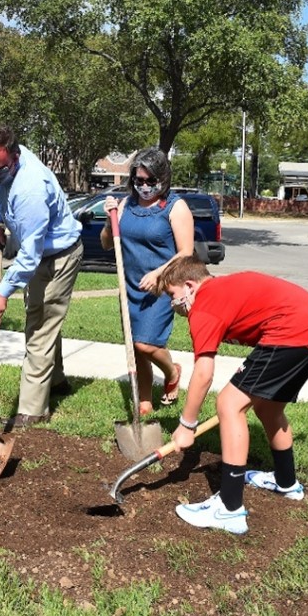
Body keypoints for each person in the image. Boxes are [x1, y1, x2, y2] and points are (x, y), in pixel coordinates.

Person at [156, 255, 308, 534]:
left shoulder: (204, 305)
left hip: (291, 332)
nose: (173, 303)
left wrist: (186, 425)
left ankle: (229, 509)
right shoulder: (223, 290)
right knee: (268, 408)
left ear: (190, 286)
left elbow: (204, 372)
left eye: (172, 294)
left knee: (229, 403)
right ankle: (286, 483)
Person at [0, 124, 83, 429]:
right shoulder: (1, 167)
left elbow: (30, 255)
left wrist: (3, 290)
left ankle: (33, 408)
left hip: (58, 256)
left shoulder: (30, 188)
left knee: (39, 324)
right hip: (39, 254)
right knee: (43, 316)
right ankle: (57, 380)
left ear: (13, 156)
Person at [100, 147, 193, 415]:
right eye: (139, 181)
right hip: (129, 286)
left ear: (163, 178)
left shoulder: (176, 207)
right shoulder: (126, 204)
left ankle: (171, 371)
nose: (144, 186)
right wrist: (110, 220)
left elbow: (186, 253)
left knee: (146, 344)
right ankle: (144, 402)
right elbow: (107, 244)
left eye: (150, 181)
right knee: (136, 347)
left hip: (162, 288)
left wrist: (159, 274)